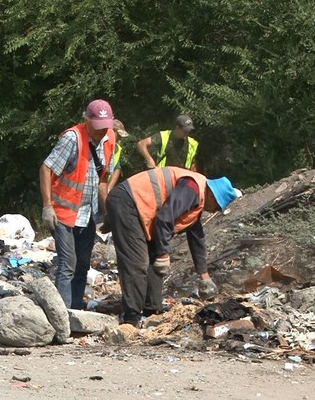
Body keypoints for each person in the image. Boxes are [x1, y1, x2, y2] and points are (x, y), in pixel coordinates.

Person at [105, 166, 242, 326]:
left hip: (139, 206)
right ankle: (131, 318)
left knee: (154, 260)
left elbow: (197, 238)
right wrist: (163, 253)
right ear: (212, 195)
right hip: (127, 201)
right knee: (137, 262)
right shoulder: (192, 188)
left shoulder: (198, 199)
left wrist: (204, 275)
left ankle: (151, 311)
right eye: (217, 206)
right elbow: (164, 218)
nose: (214, 211)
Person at [39, 99, 116, 309]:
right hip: (63, 213)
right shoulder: (72, 139)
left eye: (105, 127)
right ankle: (61, 314)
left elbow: (102, 180)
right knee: (68, 264)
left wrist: (108, 211)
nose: (102, 132)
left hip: (88, 214)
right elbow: (46, 168)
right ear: (87, 120)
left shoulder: (110, 140)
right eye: (98, 127)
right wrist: (47, 206)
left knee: (83, 264)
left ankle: (75, 308)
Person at [107, 119, 130, 191]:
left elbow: (117, 168)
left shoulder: (116, 148)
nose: (120, 138)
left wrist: (109, 188)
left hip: (104, 186)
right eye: (119, 135)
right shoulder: (98, 144)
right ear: (111, 131)